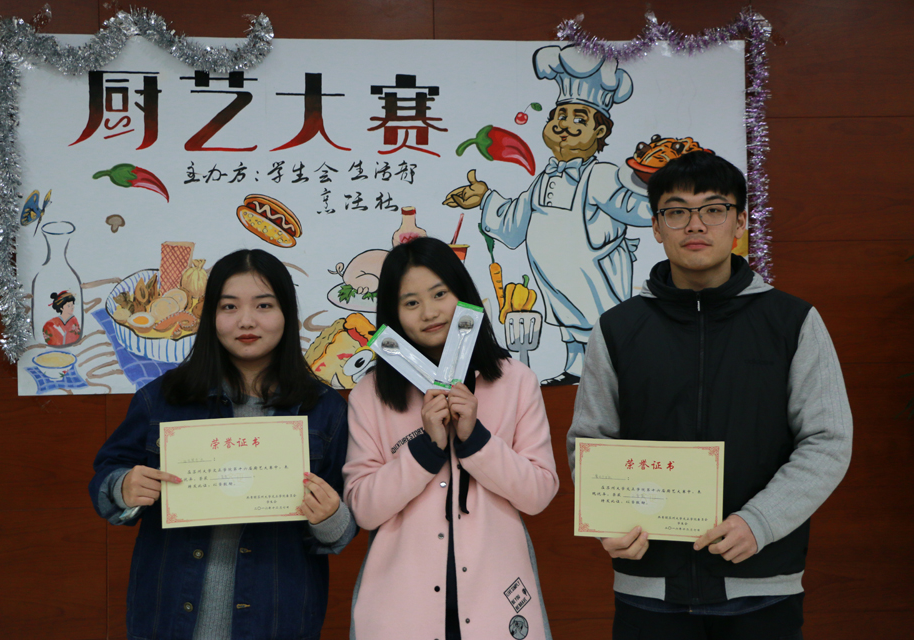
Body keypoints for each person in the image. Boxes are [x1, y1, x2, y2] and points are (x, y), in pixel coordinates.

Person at [567, 152, 852, 639]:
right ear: (656, 227)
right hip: (649, 591)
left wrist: (760, 522)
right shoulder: (617, 328)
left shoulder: (792, 322)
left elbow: (828, 441)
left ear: (740, 223)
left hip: (761, 584)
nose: (695, 224)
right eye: (676, 211)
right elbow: (590, 442)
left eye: (714, 209)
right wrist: (610, 522)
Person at [89, 249, 356, 640]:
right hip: (170, 617)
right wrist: (123, 487)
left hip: (275, 621)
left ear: (287, 313)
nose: (246, 320)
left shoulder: (323, 409)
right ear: (211, 315)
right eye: (229, 306)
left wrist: (330, 517)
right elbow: (105, 479)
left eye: (264, 305)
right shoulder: (163, 398)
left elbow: (345, 528)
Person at [343, 237, 559, 639]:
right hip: (399, 612)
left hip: (497, 605)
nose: (429, 312)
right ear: (392, 314)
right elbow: (363, 509)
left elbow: (539, 493)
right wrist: (425, 449)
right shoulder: (370, 395)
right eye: (411, 302)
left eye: (440, 294)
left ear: (463, 295)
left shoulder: (515, 381)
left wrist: (476, 439)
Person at [444, 44, 653, 385]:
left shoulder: (600, 175)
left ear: (600, 132)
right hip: (558, 283)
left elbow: (634, 208)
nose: (564, 126)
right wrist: (484, 199)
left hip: (594, 279)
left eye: (578, 119)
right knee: (571, 328)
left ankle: (610, 375)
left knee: (599, 330)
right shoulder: (546, 176)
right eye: (559, 117)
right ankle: (574, 370)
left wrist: (666, 194)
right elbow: (514, 221)